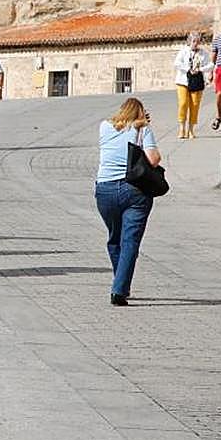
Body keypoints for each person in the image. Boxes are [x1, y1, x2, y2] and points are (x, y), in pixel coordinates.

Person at [94, 97, 161, 306]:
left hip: (105, 189)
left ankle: (120, 281)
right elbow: (153, 159)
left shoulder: (104, 127)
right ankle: (119, 289)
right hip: (135, 190)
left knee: (115, 238)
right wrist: (144, 126)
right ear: (141, 114)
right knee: (130, 240)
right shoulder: (143, 130)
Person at [172, 32, 212, 140]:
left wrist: (200, 69)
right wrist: (188, 69)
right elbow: (177, 63)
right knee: (183, 103)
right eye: (193, 41)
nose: (196, 43)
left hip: (196, 82)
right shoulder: (184, 51)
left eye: (197, 41)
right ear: (189, 41)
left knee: (194, 105)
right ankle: (182, 128)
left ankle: (191, 129)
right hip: (183, 81)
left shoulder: (203, 53)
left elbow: (211, 65)